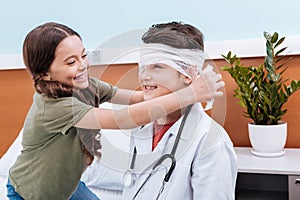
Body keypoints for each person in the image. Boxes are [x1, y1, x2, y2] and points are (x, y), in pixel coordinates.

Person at [6, 22, 224, 200]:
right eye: (71, 62)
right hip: (31, 193)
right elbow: (122, 119)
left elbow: (136, 99)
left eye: (83, 56)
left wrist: (166, 94)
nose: (82, 65)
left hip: (68, 188)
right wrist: (189, 94)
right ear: (45, 75)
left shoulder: (210, 141)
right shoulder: (55, 107)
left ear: (188, 72)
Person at [82, 21, 237, 199]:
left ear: (188, 73)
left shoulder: (210, 143)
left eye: (157, 66)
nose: (144, 76)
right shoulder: (141, 126)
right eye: (143, 67)